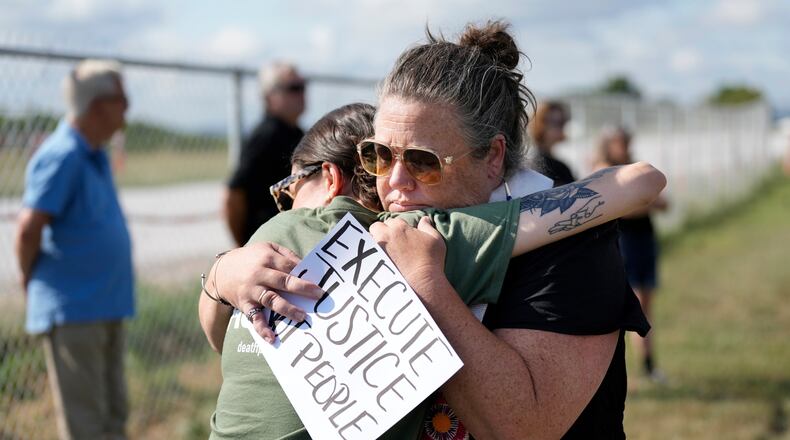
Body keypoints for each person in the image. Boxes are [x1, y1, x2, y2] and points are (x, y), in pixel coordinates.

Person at [201, 97, 663, 439]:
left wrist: (222, 271)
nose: (283, 206)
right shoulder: (411, 238)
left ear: (330, 178)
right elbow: (636, 184)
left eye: (288, 189)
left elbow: (217, 336)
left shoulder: (258, 249)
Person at [14, 59, 134, 440]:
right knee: (86, 425)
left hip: (104, 303)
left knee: (113, 415)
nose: (127, 107)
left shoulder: (94, 153)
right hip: (74, 310)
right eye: (121, 98)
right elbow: (28, 229)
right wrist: (28, 277)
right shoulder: (62, 155)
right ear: (98, 106)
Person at [595, 125, 669, 382]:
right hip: (623, 244)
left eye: (626, 141)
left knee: (646, 305)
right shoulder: (603, 170)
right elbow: (615, 208)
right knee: (630, 307)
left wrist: (637, 202)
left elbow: (662, 201)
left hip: (644, 239)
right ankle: (632, 369)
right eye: (620, 141)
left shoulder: (633, 167)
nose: (624, 146)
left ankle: (648, 364)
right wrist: (641, 201)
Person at [224, 62, 306, 246]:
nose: (302, 93)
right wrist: (243, 246)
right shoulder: (266, 136)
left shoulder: (296, 133)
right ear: (270, 97)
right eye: (294, 88)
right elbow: (233, 195)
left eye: (303, 86)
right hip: (266, 242)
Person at [530, 100, 577, 186]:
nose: (561, 127)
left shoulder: (557, 166)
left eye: (562, 122)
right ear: (541, 124)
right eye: (555, 122)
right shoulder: (541, 166)